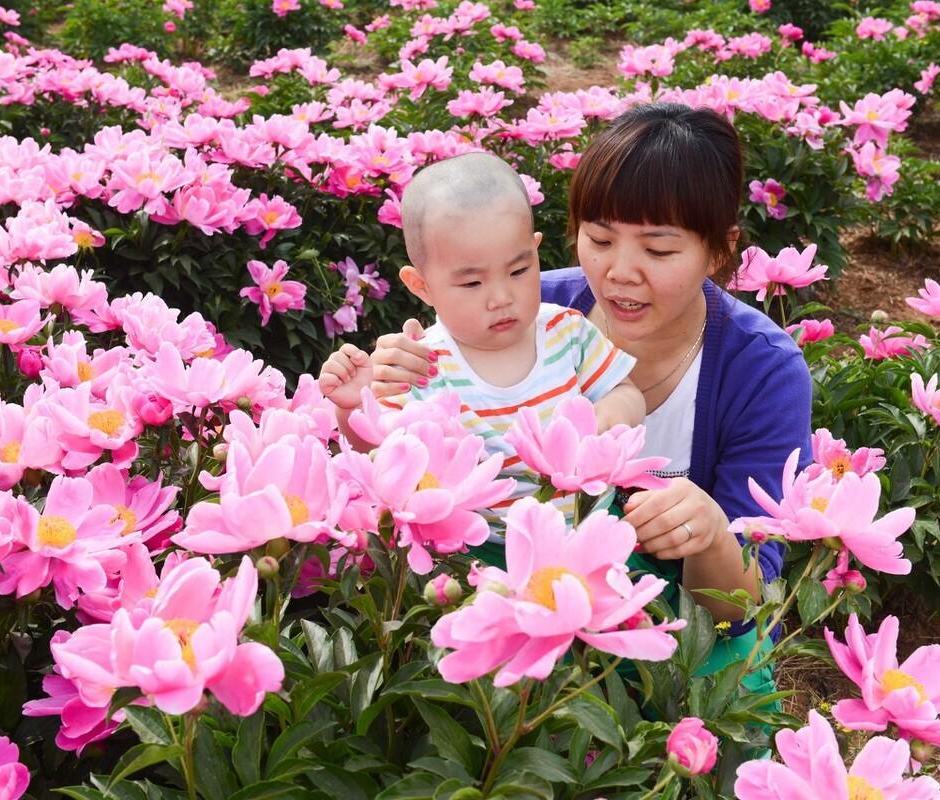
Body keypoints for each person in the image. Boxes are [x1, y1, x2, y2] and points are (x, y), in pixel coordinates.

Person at [364, 104, 814, 692]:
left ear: (719, 251)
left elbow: (742, 607)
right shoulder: (528, 310)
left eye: (658, 250)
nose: (620, 271)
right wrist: (380, 378)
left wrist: (707, 532)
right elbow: (429, 394)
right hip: (516, 608)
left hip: (675, 641)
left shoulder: (762, 370)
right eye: (599, 238)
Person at [318, 151, 647, 527]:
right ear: (421, 286)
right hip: (481, 549)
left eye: (519, 270)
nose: (501, 297)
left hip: (591, 524)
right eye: (473, 282)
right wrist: (350, 409)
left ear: (536, 252)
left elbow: (627, 390)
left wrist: (613, 413)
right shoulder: (420, 364)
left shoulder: (566, 332)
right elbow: (381, 456)